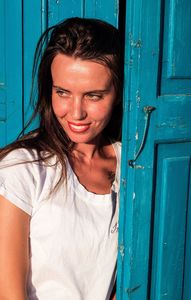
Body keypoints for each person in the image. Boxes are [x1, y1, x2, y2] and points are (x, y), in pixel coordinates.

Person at [0, 17, 123, 300]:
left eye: (94, 96)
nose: (76, 113)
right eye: (63, 92)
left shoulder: (132, 165)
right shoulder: (23, 170)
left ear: (117, 95)